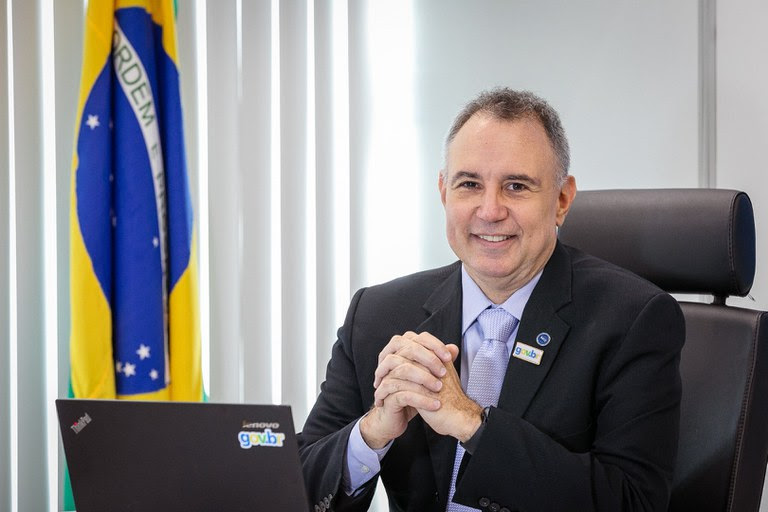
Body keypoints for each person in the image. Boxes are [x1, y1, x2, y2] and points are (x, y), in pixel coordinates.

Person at [298, 88, 685, 512]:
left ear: (562, 200)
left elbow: (633, 501)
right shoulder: (378, 313)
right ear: (444, 192)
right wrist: (372, 433)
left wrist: (473, 424)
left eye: (516, 186)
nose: (489, 210)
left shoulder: (632, 319)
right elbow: (296, 486)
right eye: (469, 184)